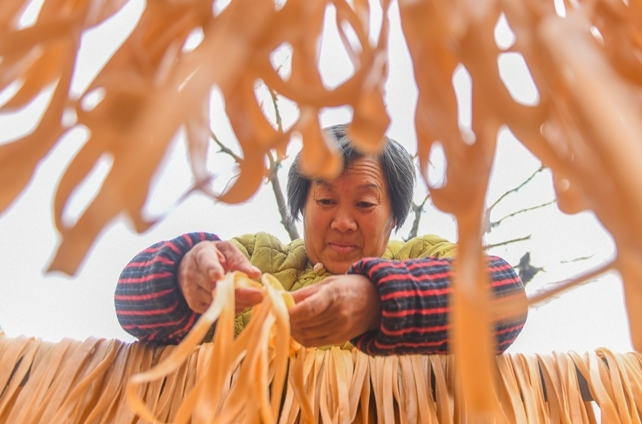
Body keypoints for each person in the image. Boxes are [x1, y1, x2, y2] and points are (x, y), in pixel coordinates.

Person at [115, 125, 527, 355]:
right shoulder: (257, 263)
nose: (344, 222)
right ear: (302, 208)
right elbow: (131, 308)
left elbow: (503, 297)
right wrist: (183, 276)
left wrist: (378, 301)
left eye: (365, 204)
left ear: (395, 215)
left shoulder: (423, 259)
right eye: (326, 200)